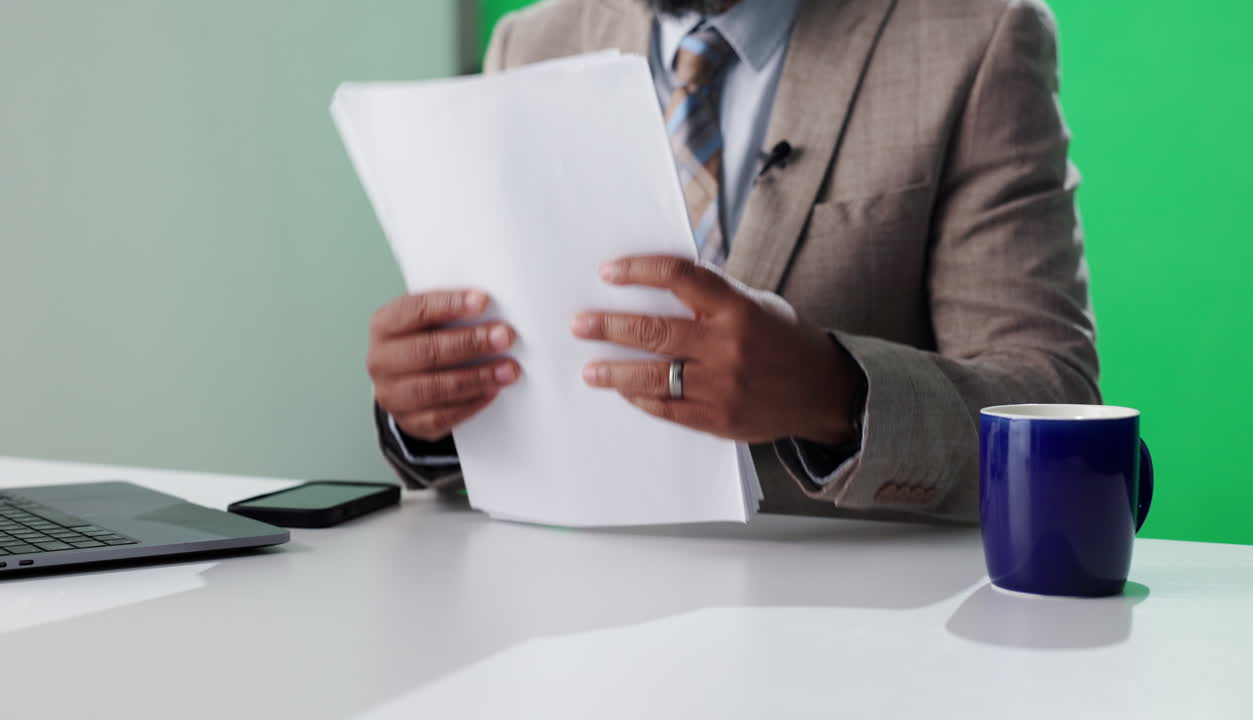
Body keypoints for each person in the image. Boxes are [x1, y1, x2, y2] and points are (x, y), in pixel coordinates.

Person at [365, 0, 1099, 523]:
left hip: (849, 634)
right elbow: (508, 373)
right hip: (561, 612)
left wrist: (834, 392)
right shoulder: (528, 43)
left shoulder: (978, 37)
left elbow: (1055, 398)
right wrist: (430, 412)